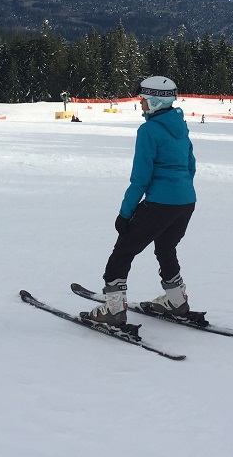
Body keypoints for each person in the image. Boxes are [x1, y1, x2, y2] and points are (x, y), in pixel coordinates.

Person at [82, 76, 198, 329]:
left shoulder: (149, 130)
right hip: (186, 202)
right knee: (166, 248)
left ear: (156, 101)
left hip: (160, 203)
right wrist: (178, 192)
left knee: (123, 251)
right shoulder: (181, 127)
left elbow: (140, 179)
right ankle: (177, 301)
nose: (141, 105)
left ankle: (113, 310)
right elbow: (191, 166)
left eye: (144, 100)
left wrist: (125, 214)